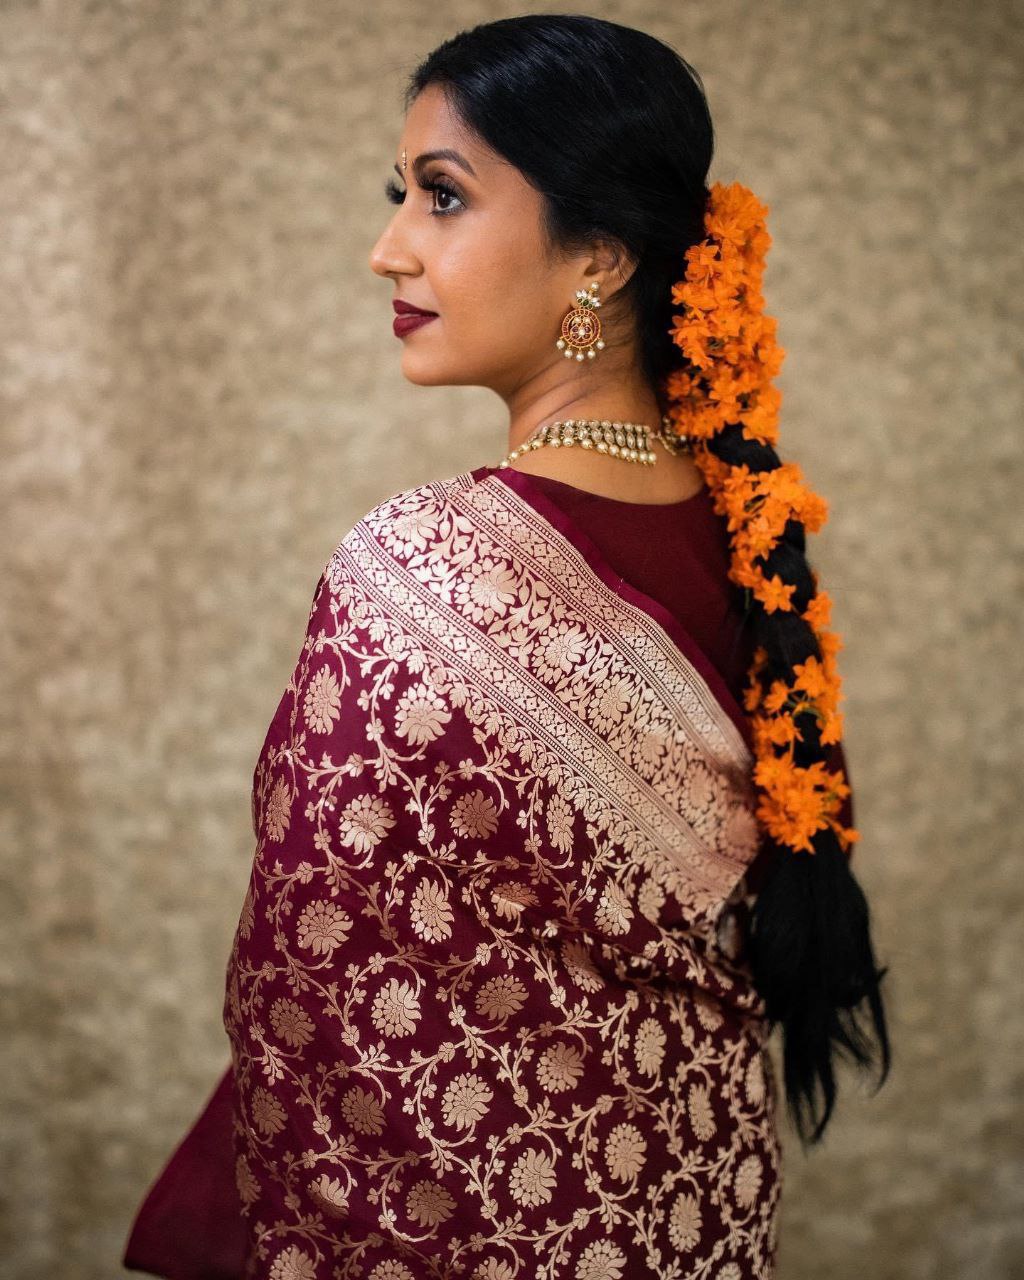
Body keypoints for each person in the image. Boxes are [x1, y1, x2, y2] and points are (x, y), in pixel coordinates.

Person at [123, 15, 891, 1279]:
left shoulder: (424, 569)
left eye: (442, 197)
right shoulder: (739, 535)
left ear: (597, 254)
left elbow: (306, 981)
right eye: (400, 195)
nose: (388, 249)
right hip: (687, 1220)